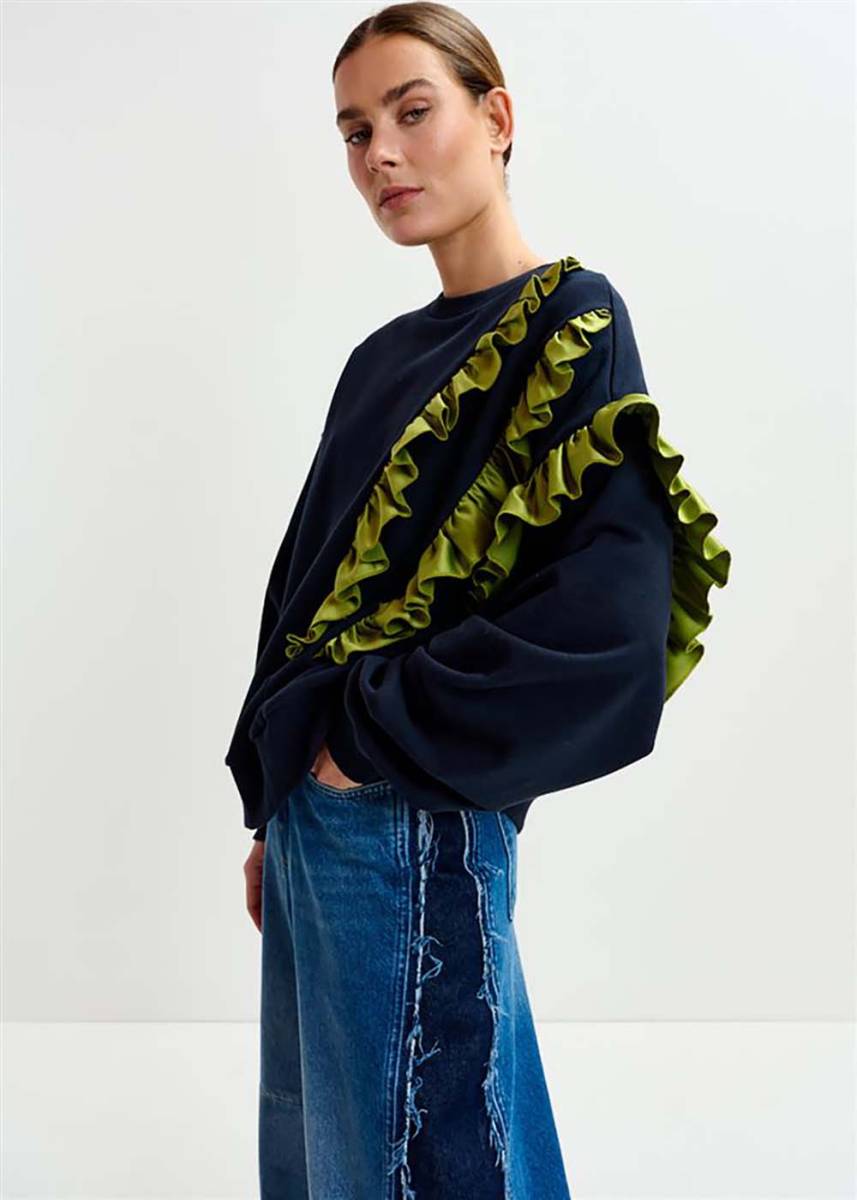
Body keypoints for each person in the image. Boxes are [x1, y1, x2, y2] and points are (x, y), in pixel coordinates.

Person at [225, 3, 732, 1196]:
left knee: (422, 1163)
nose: (381, 155)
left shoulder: (568, 324)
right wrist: (278, 802)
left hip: (409, 811)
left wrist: (363, 742)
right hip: (318, 828)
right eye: (355, 132)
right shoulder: (379, 360)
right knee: (341, 1163)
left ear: (494, 118)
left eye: (413, 112)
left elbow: (604, 624)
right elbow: (304, 598)